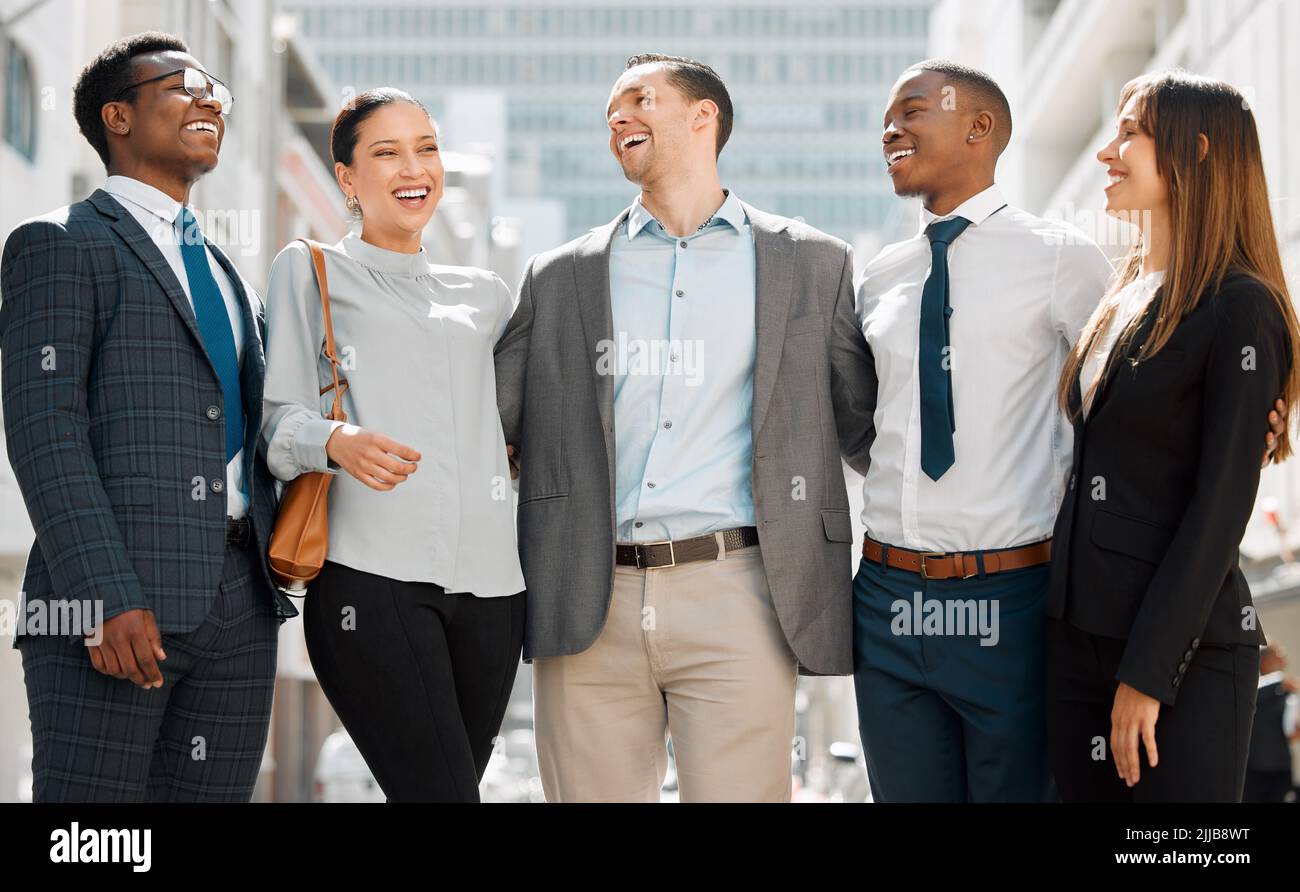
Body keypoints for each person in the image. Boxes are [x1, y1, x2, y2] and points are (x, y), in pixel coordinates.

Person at [494, 53, 877, 802]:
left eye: (641, 99)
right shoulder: (558, 275)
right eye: (610, 111)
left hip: (743, 593)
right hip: (585, 595)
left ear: (705, 117)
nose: (618, 118)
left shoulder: (813, 265)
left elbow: (868, 432)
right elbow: (486, 427)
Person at [0, 32, 296, 801]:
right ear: (118, 117)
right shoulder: (60, 245)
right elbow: (45, 429)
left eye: (216, 93)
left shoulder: (234, 277)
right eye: (182, 86)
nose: (208, 101)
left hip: (241, 605)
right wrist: (102, 594)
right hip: (109, 605)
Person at [851, 60, 1115, 802]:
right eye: (885, 119)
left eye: (910, 111)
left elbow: (1119, 409)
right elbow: (869, 422)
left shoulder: (1063, 258)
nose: (889, 129)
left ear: (979, 127)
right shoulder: (880, 275)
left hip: (1011, 601)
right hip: (887, 599)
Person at [261, 88, 524, 802]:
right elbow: (274, 426)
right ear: (346, 178)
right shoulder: (309, 270)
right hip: (369, 583)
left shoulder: (491, 295)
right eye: (387, 152)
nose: (414, 168)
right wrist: (334, 440)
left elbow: (522, 425)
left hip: (496, 592)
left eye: (426, 148)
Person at [1047, 70, 1299, 802]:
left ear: (1195, 151)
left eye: (1130, 133)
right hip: (1073, 642)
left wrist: (1146, 674)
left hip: (1176, 661)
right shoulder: (1121, 295)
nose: (1107, 153)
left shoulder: (1240, 308)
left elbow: (1218, 511)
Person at [1244, 643, 1299, 802]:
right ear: (1265, 660)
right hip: (1255, 769)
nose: (1283, 657)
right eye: (1278, 654)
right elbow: (1256, 692)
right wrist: (1280, 680)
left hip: (1281, 769)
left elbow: (1291, 731)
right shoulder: (1253, 687)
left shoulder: (1286, 692)